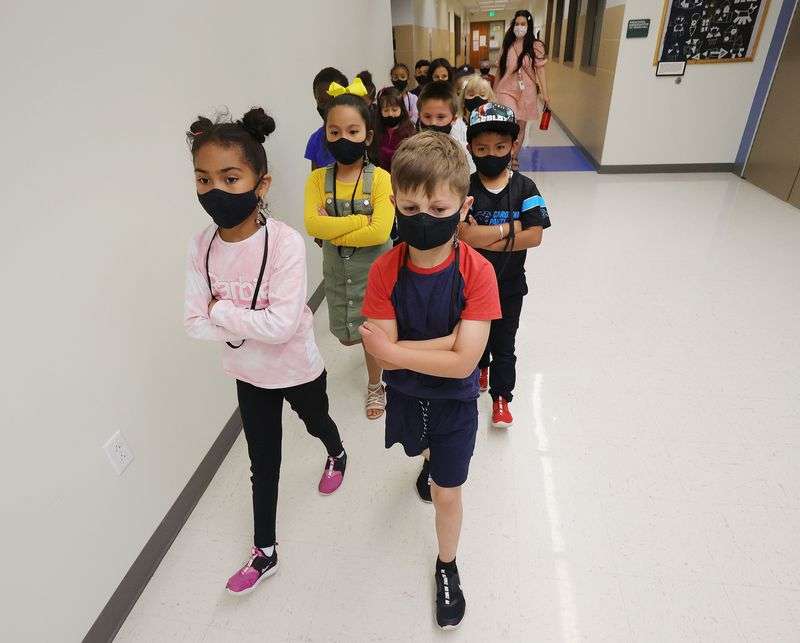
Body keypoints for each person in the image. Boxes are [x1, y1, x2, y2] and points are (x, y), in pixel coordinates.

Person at [184, 108, 347, 595]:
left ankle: (337, 453)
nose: (215, 190)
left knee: (317, 421)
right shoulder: (201, 247)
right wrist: (231, 317)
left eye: (230, 178)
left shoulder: (286, 245)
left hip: (296, 367)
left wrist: (222, 311)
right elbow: (193, 322)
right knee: (263, 461)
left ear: (261, 182)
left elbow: (280, 326)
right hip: (248, 372)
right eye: (203, 179)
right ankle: (265, 551)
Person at [360, 131, 501, 630]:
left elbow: (465, 365)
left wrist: (392, 350)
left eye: (438, 208)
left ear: (463, 207)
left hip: (456, 403)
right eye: (411, 205)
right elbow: (409, 363)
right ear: (394, 200)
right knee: (422, 454)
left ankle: (447, 564)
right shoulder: (384, 271)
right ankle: (428, 462)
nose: (423, 217)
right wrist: (448, 342)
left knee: (446, 492)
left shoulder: (478, 272)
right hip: (406, 397)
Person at [303, 80, 394, 420]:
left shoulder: (381, 178)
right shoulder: (316, 181)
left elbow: (381, 232)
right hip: (338, 272)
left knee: (372, 334)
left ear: (368, 136)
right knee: (346, 337)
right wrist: (361, 222)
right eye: (335, 131)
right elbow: (313, 226)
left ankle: (376, 385)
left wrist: (335, 228)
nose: (343, 138)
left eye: (353, 131)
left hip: (376, 271)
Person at [459, 102, 550, 428]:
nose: (491, 154)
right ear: (470, 148)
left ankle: (501, 398)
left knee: (505, 344)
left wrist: (485, 236)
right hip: (470, 285)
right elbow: (462, 235)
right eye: (482, 148)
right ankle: (478, 370)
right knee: (473, 337)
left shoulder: (526, 188)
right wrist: (512, 229)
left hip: (511, 285)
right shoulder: (465, 188)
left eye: (499, 147)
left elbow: (535, 235)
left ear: (513, 145)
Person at [494, 10, 549, 168]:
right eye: (517, 24)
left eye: (523, 24)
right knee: (508, 122)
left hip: (527, 91)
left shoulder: (536, 46)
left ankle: (514, 157)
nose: (519, 27)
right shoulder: (508, 44)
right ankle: (504, 154)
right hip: (505, 89)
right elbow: (499, 69)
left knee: (520, 126)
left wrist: (546, 94)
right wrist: (493, 90)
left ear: (528, 25)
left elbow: (540, 70)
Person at [418, 80, 472, 173]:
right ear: (419, 115)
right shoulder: (411, 153)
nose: (433, 123)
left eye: (440, 117)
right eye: (427, 116)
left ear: (454, 119)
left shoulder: (464, 154)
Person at [305, 67, 348, 171]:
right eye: (322, 101)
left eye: (334, 100)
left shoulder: (360, 134)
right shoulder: (315, 140)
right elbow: (314, 182)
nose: (328, 107)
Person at [373, 87, 416, 172]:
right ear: (380, 112)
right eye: (386, 110)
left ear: (402, 110)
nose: (390, 114)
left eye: (395, 110)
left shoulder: (409, 130)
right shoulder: (376, 129)